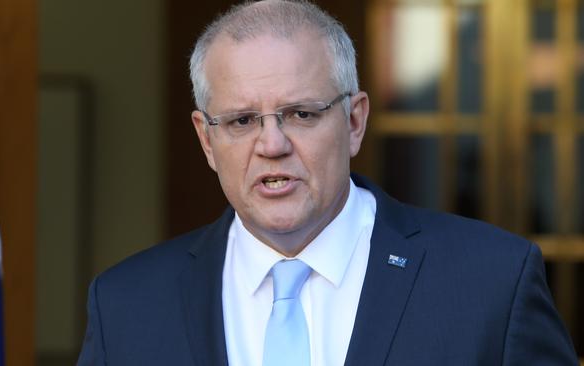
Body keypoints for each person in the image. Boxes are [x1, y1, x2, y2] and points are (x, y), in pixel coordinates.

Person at [77, 1, 579, 365]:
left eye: (300, 113)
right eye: (241, 121)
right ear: (206, 140)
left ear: (355, 121)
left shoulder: (492, 283)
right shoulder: (126, 305)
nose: (271, 144)